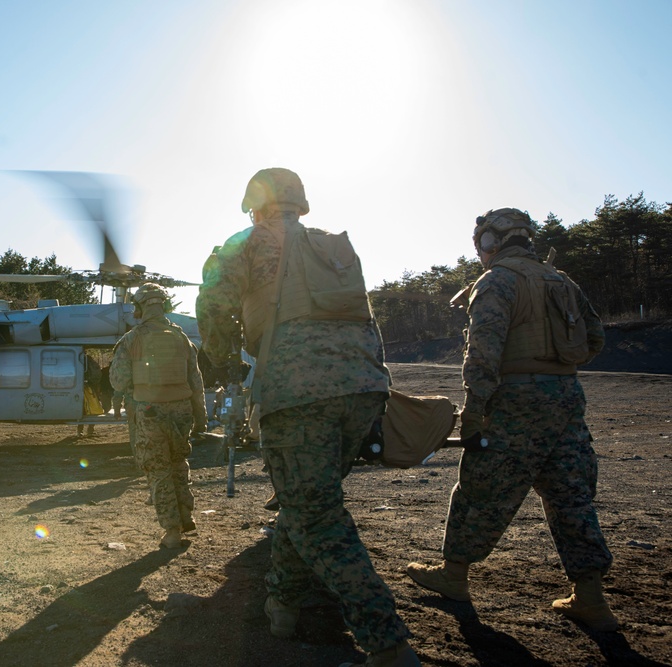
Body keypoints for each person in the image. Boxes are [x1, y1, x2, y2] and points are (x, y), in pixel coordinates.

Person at [196, 168, 418, 667]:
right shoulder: (333, 247)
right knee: (305, 503)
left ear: (254, 204)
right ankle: (285, 605)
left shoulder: (246, 242)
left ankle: (387, 643)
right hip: (363, 388)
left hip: (296, 393)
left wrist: (226, 363)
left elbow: (212, 305)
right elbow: (364, 314)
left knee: (316, 515)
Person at [405, 208, 616, 632]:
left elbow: (482, 354)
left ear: (490, 242)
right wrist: (557, 365)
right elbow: (596, 337)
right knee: (570, 495)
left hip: (515, 400)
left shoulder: (497, 280)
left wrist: (476, 410)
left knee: (480, 487)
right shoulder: (562, 281)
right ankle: (591, 597)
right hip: (567, 397)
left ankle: (454, 575)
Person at [110, 282, 208, 549]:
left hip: (149, 412)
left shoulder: (132, 339)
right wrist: (201, 417)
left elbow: (119, 380)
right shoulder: (182, 339)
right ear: (164, 305)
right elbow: (196, 382)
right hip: (182, 410)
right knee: (178, 462)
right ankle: (186, 515)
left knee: (159, 469)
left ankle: (172, 530)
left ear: (140, 307)